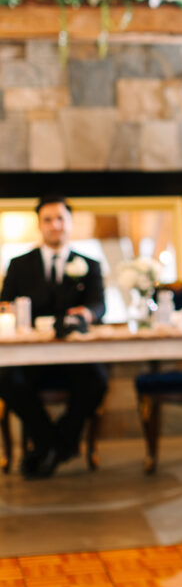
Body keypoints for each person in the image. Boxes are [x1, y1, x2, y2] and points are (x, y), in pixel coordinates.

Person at [0, 195, 108, 480]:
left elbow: (100, 305)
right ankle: (56, 444)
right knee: (7, 380)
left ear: (70, 222)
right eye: (48, 220)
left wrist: (86, 313)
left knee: (97, 380)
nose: (55, 225)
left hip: (74, 357)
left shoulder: (89, 264)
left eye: (60, 218)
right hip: (32, 358)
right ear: (40, 225)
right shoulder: (19, 264)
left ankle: (48, 447)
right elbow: (4, 303)